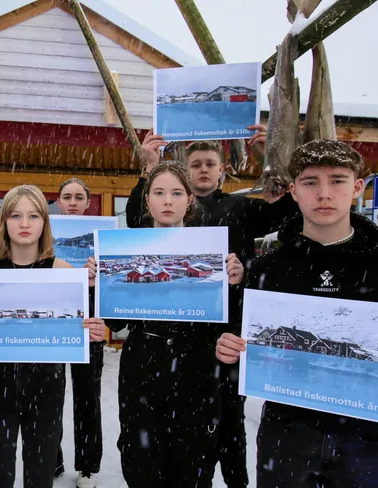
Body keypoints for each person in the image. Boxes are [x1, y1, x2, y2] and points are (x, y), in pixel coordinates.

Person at [214, 140, 378, 488]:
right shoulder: (269, 268)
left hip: (365, 440)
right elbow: (245, 350)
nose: (324, 193)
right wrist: (229, 352)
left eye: (337, 180)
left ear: (356, 187)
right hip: (287, 434)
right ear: (294, 190)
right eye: (311, 182)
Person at [127, 127, 300, 488]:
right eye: (196, 164)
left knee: (227, 419)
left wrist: (276, 158)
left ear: (223, 170)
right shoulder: (157, 222)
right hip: (171, 334)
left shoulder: (240, 206)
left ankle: (235, 480)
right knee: (162, 440)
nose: (204, 169)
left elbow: (288, 215)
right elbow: (133, 223)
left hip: (226, 327)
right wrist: (149, 168)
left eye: (210, 164)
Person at [107, 163, 245, 487]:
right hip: (142, 367)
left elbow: (228, 324)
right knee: (141, 464)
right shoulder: (129, 250)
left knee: (193, 467)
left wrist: (236, 282)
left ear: (189, 200)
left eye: (176, 193)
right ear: (148, 202)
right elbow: (115, 320)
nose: (167, 200)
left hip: (196, 368)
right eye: (159, 192)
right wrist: (101, 279)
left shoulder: (212, 252)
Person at [0, 184, 106, 488]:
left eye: (33, 216)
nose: (24, 224)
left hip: (45, 390)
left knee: (41, 476)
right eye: (16, 216)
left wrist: (91, 331)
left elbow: (78, 330)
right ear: (4, 221)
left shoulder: (63, 270)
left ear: (44, 223)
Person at [50, 177, 106, 488]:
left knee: (88, 398)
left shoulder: (100, 243)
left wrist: (95, 283)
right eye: (67, 197)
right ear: (58, 202)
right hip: (54, 325)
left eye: (78, 197)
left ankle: (87, 466)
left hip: (89, 327)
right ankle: (52, 458)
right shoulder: (45, 239)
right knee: (50, 396)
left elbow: (112, 293)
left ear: (87, 204)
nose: (72, 202)